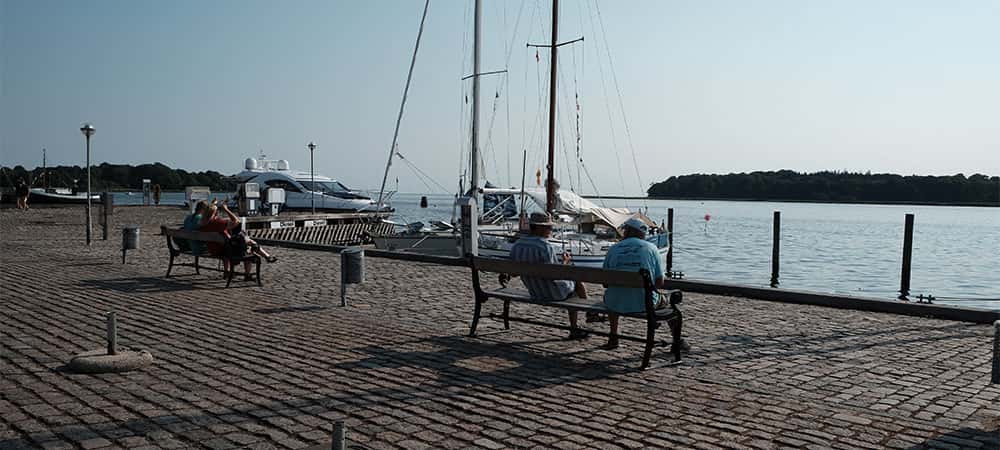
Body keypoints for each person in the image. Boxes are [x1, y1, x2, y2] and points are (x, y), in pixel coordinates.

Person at [602, 217, 689, 351]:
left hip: (614, 302)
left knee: (616, 294)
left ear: (627, 231)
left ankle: (613, 336)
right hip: (644, 303)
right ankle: (677, 340)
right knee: (670, 304)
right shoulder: (651, 248)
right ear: (642, 233)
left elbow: (605, 282)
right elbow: (659, 282)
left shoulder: (613, 249)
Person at [510, 212, 589, 339]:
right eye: (548, 227)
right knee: (576, 282)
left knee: (574, 280)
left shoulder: (517, 245)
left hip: (534, 291)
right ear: (538, 227)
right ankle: (582, 321)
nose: (551, 230)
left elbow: (513, 272)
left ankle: (586, 319)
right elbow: (554, 275)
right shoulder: (545, 246)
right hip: (552, 293)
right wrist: (565, 262)